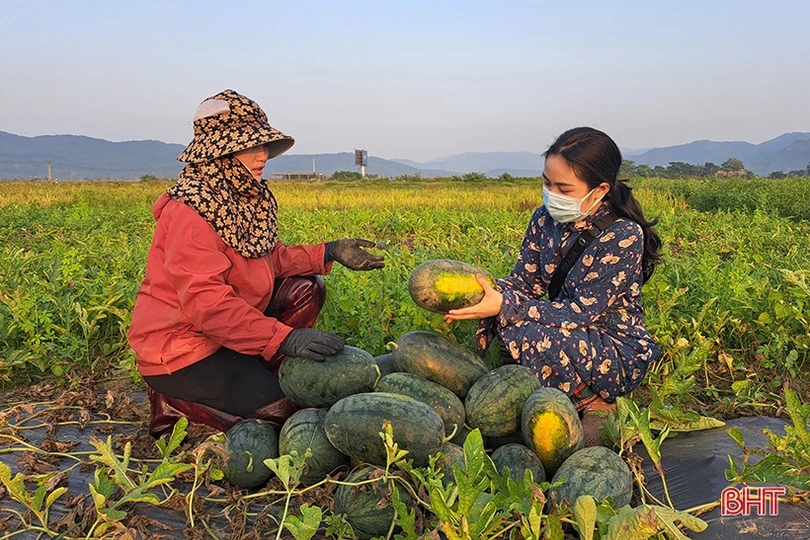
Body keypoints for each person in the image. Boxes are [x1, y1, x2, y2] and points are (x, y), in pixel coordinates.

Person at [128, 90, 384, 438]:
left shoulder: (242, 196)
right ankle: (172, 403)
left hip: (223, 336)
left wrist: (328, 251)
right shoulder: (191, 210)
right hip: (182, 348)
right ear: (220, 154)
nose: (263, 155)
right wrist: (285, 338)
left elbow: (268, 257)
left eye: (263, 145)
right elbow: (209, 306)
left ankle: (253, 368)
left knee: (306, 287)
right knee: (287, 417)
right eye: (250, 147)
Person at [444, 127, 662, 445]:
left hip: (612, 348)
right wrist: (482, 292)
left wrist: (505, 306)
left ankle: (597, 401)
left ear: (599, 190)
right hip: (566, 331)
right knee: (502, 317)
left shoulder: (622, 235)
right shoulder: (543, 220)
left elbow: (581, 313)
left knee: (522, 328)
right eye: (547, 183)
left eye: (564, 188)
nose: (552, 194)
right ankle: (528, 395)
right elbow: (526, 281)